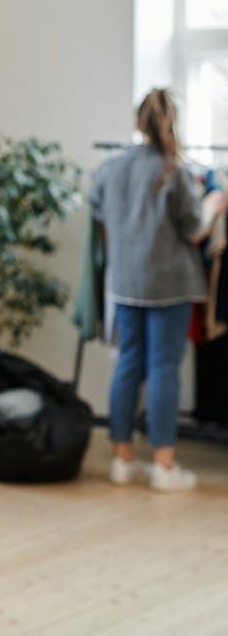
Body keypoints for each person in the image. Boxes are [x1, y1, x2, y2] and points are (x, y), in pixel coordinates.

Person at [90, 88, 225, 492]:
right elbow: (195, 229)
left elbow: (98, 211)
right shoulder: (175, 172)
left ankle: (122, 459)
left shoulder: (110, 168)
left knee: (129, 363)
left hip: (126, 282)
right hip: (169, 284)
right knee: (164, 367)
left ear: (137, 122)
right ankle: (164, 465)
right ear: (172, 123)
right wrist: (215, 204)